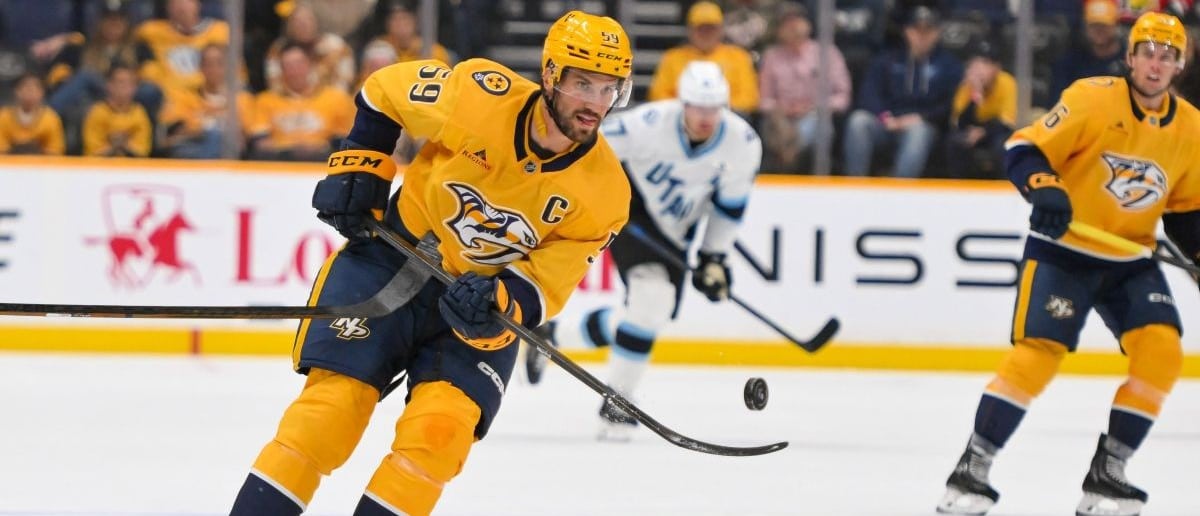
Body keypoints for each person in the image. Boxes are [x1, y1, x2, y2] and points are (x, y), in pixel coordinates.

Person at [229, 10, 632, 516]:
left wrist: (497, 302)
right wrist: (363, 163)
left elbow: (545, 282)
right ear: (551, 75)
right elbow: (384, 90)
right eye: (583, 84)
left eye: (609, 88)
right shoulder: (480, 95)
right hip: (391, 260)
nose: (596, 103)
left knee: (439, 435)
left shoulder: (606, 193)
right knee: (326, 417)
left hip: (476, 307)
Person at [937, 12, 1200, 516]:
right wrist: (1047, 188)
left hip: (1129, 259)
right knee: (1039, 354)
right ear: (1130, 57)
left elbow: (1185, 214)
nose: (1156, 62)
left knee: (1163, 350)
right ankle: (973, 469)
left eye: (1167, 55)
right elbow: (1024, 148)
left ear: (1179, 66)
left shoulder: (1189, 128)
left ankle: (1109, 473)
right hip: (1064, 251)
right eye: (1147, 51)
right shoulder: (1092, 98)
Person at [524, 61, 762, 441]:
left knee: (649, 312)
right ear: (682, 102)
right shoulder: (648, 124)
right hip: (629, 210)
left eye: (714, 108)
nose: (705, 117)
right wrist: (596, 200)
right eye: (698, 107)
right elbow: (589, 145)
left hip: (674, 232)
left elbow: (729, 209)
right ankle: (617, 401)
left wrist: (714, 257)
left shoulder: (742, 143)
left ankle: (557, 335)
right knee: (653, 300)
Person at [842, 5, 961, 178]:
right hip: (886, 122)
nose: (922, 36)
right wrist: (885, 117)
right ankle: (855, 184)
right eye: (917, 30)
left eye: (928, 30)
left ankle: (899, 190)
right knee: (858, 121)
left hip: (923, 124)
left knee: (918, 133)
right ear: (907, 31)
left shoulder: (950, 66)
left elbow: (952, 104)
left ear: (937, 33)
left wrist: (921, 118)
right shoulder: (887, 60)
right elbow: (869, 93)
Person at [647, 1, 759, 116]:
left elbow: (749, 97)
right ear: (690, 30)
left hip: (727, 119)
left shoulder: (738, 57)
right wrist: (689, 110)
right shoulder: (672, 57)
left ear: (721, 30)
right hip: (681, 119)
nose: (706, 33)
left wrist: (715, 110)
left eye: (711, 28)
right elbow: (658, 95)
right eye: (700, 28)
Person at [246, 43, 354, 162]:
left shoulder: (337, 98)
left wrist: (320, 148)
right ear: (281, 70)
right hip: (280, 164)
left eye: (299, 64)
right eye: (288, 66)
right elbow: (260, 143)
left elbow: (343, 140)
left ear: (310, 64)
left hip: (324, 162)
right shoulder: (265, 100)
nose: (295, 70)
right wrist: (290, 149)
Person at [945, 37, 1016, 179]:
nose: (980, 69)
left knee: (1002, 144)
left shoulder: (1007, 82)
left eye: (986, 63)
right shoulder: (967, 86)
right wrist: (975, 95)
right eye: (976, 63)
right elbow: (959, 122)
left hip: (997, 131)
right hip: (974, 129)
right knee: (955, 142)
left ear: (997, 67)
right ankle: (960, 187)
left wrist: (984, 131)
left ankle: (1004, 187)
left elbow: (1008, 122)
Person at [81, 64, 152, 157]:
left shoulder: (139, 113)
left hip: (133, 168)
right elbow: (93, 151)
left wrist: (124, 145)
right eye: (121, 82)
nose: (125, 87)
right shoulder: (97, 112)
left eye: (130, 83)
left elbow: (142, 151)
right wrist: (114, 147)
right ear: (109, 85)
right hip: (100, 168)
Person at [0, 74, 66, 155]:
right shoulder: (4, 116)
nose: (30, 92)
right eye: (26, 88)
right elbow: (2, 149)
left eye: (35, 89)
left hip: (42, 165)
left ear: (42, 92)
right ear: (16, 91)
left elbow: (55, 150)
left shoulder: (51, 118)